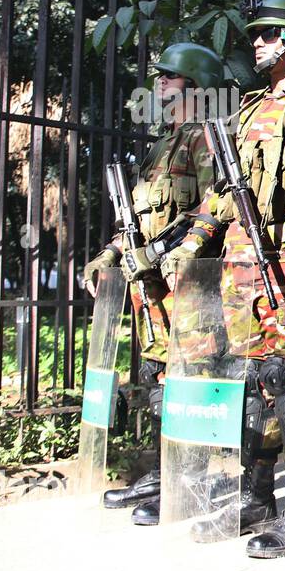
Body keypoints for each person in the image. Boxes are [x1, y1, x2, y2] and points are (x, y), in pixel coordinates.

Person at [170, 0, 285, 554]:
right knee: (252, 381)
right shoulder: (247, 111)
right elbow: (225, 193)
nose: (256, 43)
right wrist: (191, 245)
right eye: (256, 34)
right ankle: (258, 495)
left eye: (268, 33)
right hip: (240, 267)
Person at [85, 43, 221, 524]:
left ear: (197, 84)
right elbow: (140, 220)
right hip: (152, 287)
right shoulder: (162, 144)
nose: (160, 80)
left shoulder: (205, 138)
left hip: (188, 284)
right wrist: (110, 255)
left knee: (191, 377)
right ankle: (168, 473)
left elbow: (215, 206)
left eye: (171, 75)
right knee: (160, 377)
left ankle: (192, 481)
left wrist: (174, 253)